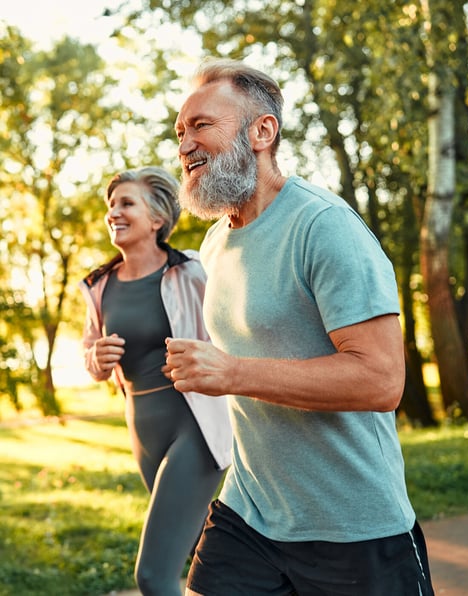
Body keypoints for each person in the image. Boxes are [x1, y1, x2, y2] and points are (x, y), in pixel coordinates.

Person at [165, 59, 435, 596]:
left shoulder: (323, 227)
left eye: (201, 126)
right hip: (250, 510)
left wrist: (234, 373)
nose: (185, 145)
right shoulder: (217, 243)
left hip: (353, 523)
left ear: (262, 131)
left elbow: (381, 380)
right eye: (179, 132)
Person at [78, 166, 232, 596]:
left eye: (126, 203)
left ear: (157, 219)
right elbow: (90, 356)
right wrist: (96, 357)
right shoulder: (99, 285)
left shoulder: (194, 271)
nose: (114, 213)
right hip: (143, 428)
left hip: (194, 425)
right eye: (111, 205)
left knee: (153, 575)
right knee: (203, 553)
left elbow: (232, 335)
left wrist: (203, 359)